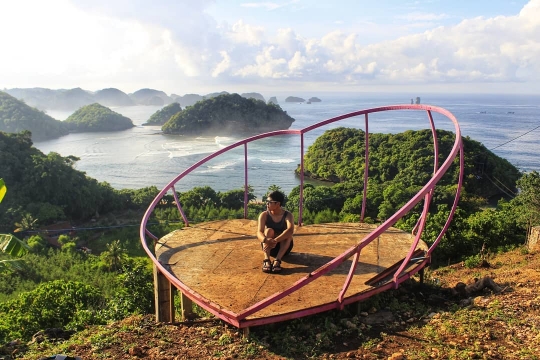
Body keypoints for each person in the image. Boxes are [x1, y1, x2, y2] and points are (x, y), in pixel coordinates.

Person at [257, 190, 294, 273]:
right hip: (268, 247)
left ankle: (277, 260)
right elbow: (259, 232)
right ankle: (266, 259)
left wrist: (275, 241)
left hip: (284, 248)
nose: (266, 204)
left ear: (277, 204)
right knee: (268, 231)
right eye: (267, 201)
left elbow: (290, 230)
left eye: (269, 202)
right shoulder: (264, 215)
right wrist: (266, 240)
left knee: (287, 234)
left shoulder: (287, 215)